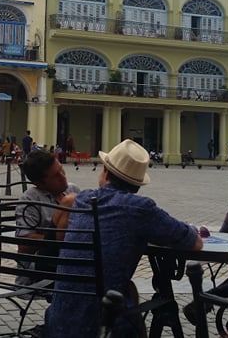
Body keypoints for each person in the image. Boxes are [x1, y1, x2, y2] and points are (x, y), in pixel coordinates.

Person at [44, 139, 205, 337]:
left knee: (128, 289)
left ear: (105, 171)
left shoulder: (82, 200)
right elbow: (195, 242)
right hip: (104, 325)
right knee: (132, 294)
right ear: (137, 184)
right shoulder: (141, 208)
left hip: (58, 321)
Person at [15, 150, 81, 285]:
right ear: (40, 183)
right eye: (56, 176)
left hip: (70, 264)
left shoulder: (73, 190)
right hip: (39, 274)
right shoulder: (30, 200)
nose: (63, 177)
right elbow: (24, 244)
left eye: (62, 170)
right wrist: (61, 238)